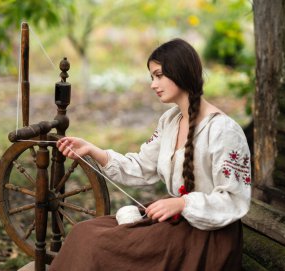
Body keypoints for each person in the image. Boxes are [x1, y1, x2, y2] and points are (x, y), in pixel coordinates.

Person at [50, 38, 251, 271]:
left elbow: (235, 199)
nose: (153, 84)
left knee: (98, 244)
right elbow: (142, 168)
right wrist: (93, 151)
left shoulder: (224, 130)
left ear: (181, 72)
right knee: (83, 232)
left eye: (159, 75)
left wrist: (183, 204)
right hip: (178, 223)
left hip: (208, 237)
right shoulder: (170, 121)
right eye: (151, 77)